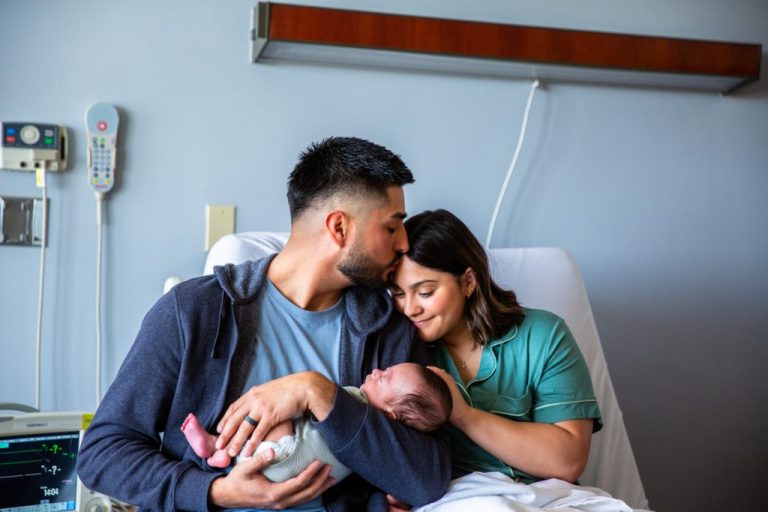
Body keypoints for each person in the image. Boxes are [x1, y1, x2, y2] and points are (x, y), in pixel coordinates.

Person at [76, 137, 451, 512]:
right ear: (339, 228)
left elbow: (427, 478)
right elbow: (103, 453)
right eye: (391, 227)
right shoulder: (196, 311)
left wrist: (318, 393)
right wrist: (214, 492)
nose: (404, 244)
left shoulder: (387, 331)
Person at [390, 209, 602, 485]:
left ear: (468, 282)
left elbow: (568, 460)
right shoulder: (400, 353)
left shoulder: (543, 337)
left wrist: (463, 415)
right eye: (398, 293)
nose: (410, 308)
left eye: (426, 292)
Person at [182, 362, 452, 483]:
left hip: (283, 458)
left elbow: (429, 478)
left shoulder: (359, 405)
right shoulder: (379, 442)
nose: (377, 371)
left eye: (385, 378)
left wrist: (311, 388)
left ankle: (219, 446)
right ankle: (219, 451)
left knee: (276, 415)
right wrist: (214, 492)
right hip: (275, 465)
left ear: (391, 415)